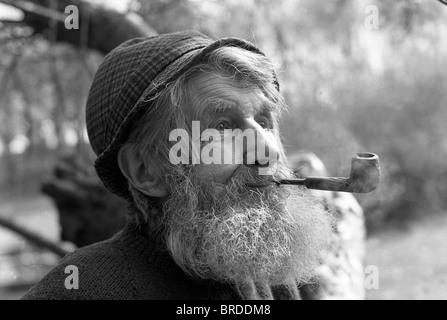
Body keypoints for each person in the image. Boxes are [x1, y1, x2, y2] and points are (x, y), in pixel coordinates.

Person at [22, 30, 335, 300]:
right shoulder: (82, 290)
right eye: (222, 127)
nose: (268, 151)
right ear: (146, 171)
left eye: (264, 122)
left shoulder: (271, 275)